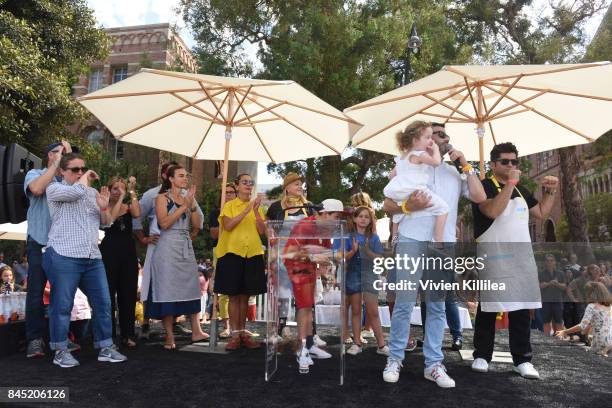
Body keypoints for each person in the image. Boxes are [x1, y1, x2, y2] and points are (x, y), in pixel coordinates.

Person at [382, 121, 486, 387]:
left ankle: (434, 364)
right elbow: (386, 205)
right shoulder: (408, 164)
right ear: (422, 138)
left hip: (442, 245)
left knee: (437, 305)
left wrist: (465, 163)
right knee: (404, 301)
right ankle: (394, 358)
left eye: (442, 134)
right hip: (410, 239)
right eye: (434, 134)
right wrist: (407, 205)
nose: (439, 138)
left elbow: (479, 195)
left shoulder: (454, 172)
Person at [471, 142, 558, 379]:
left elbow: (541, 213)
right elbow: (492, 211)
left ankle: (522, 359)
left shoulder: (521, 190)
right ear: (493, 164)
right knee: (489, 306)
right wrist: (509, 184)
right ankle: (482, 354)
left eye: (514, 161)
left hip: (520, 256)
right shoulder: (482, 186)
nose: (511, 165)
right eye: (505, 161)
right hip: (495, 254)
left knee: (521, 307)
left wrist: (550, 191)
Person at [43, 153, 127, 368]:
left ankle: (106, 347)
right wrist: (85, 180)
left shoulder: (90, 192)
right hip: (63, 255)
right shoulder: (54, 188)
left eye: (83, 169)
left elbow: (106, 223)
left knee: (104, 303)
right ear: (62, 171)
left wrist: (104, 206)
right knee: (62, 306)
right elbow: (74, 193)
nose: (81, 173)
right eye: (75, 169)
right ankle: (60, 350)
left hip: (92, 256)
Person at [134, 162, 203, 339]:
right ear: (170, 178)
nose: (185, 178)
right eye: (181, 175)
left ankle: (196, 331)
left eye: (186, 176)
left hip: (184, 246)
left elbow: (197, 224)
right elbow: (164, 223)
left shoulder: (189, 197)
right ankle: (169, 335)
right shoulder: (160, 197)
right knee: (167, 287)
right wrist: (183, 206)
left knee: (191, 285)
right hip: (166, 246)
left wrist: (192, 205)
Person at [283, 199, 346, 374]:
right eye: (336, 216)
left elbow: (325, 255)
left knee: (309, 308)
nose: (337, 220)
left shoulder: (325, 230)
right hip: (296, 268)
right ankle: (302, 350)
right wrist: (314, 259)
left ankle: (308, 346)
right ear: (324, 213)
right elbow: (289, 253)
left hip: (309, 269)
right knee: (304, 308)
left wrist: (327, 270)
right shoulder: (305, 226)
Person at [266, 172, 325, 346]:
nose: (300, 187)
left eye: (301, 184)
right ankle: (279, 330)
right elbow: (270, 230)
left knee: (307, 296)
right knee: (283, 296)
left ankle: (311, 334)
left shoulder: (309, 207)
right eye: (296, 184)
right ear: (287, 187)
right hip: (284, 256)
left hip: (305, 258)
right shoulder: (276, 207)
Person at [23, 141, 70, 358]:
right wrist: (57, 163)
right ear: (49, 155)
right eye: (57, 152)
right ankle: (34, 340)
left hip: (63, 245)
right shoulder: (35, 172)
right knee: (35, 294)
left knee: (63, 294)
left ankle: (61, 338)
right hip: (39, 242)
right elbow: (37, 189)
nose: (62, 155)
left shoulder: (70, 179)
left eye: (65, 153)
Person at [213, 173, 267, 350]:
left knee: (246, 295)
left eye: (251, 183)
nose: (248, 185)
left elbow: (261, 231)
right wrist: (245, 211)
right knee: (233, 296)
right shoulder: (229, 205)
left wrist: (256, 213)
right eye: (245, 182)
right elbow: (227, 226)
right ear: (237, 185)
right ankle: (235, 335)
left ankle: (243, 332)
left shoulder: (258, 207)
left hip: (252, 254)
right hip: (231, 253)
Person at [335, 206, 389, 356]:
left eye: (366, 216)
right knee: (356, 310)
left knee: (373, 311)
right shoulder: (347, 236)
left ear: (370, 220)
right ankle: (357, 343)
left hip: (369, 275)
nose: (363, 219)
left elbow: (380, 260)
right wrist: (353, 251)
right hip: (352, 274)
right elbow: (342, 259)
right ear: (354, 218)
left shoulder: (374, 238)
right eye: (360, 216)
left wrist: (367, 251)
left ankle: (381, 345)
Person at [383, 121, 449, 243]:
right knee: (444, 208)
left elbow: (392, 175)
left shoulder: (402, 157)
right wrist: (435, 150)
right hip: (416, 189)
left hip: (399, 190)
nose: (431, 141)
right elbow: (436, 162)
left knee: (397, 216)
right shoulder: (420, 154)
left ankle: (394, 238)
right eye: (428, 137)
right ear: (415, 140)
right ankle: (438, 239)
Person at [100, 176, 141, 348]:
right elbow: (109, 221)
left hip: (128, 253)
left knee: (128, 294)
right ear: (109, 189)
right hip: (108, 252)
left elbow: (138, 213)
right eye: (116, 188)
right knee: (108, 295)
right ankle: (108, 336)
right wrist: (118, 199)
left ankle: (128, 334)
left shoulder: (128, 206)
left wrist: (131, 192)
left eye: (122, 187)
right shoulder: (104, 206)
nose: (119, 191)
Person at [208, 183, 237, 338]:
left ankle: (237, 326)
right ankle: (226, 326)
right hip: (221, 250)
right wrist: (228, 224)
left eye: (231, 192)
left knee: (238, 290)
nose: (228, 195)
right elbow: (213, 234)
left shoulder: (241, 210)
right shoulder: (216, 212)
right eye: (225, 192)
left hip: (238, 250)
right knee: (224, 289)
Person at [555, 282, 612, 357]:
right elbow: (600, 321)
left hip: (600, 342)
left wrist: (565, 331)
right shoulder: (610, 306)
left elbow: (582, 326)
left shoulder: (591, 306)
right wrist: (586, 331)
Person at [539, 254, 566, 336]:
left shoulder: (560, 273)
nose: (549, 262)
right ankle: (546, 339)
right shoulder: (541, 274)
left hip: (557, 300)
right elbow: (539, 286)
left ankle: (560, 339)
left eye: (551, 260)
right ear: (545, 263)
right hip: (546, 301)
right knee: (546, 321)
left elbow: (565, 287)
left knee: (558, 321)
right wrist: (548, 284)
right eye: (547, 261)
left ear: (555, 262)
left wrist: (557, 284)